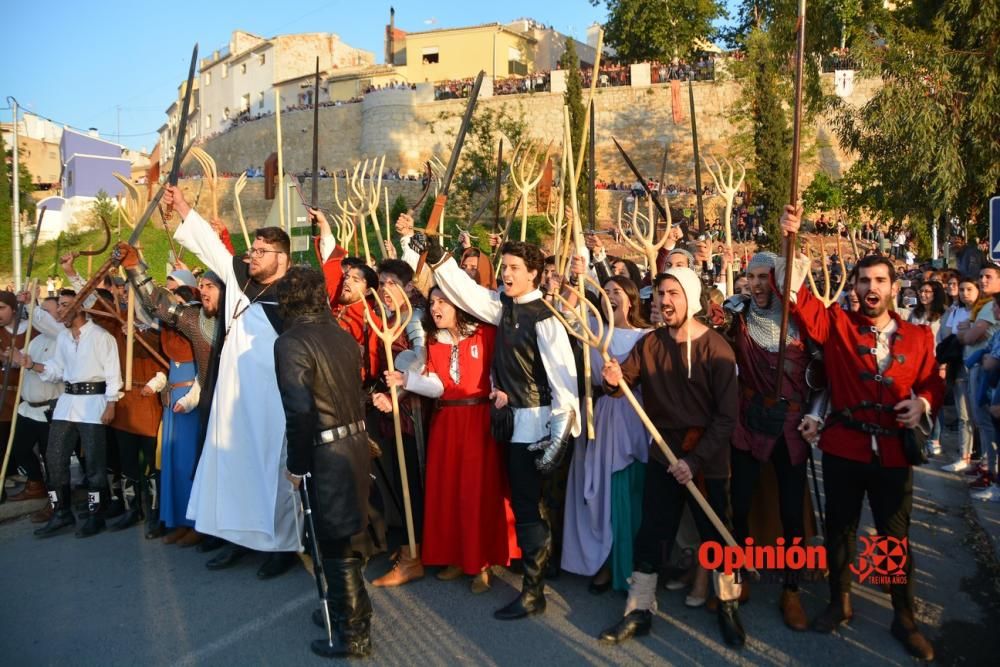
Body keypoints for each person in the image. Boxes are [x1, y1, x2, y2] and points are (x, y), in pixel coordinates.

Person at [779, 205, 943, 661]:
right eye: (864, 280)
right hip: (844, 447)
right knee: (840, 532)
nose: (871, 288)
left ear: (893, 287)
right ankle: (840, 602)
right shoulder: (836, 326)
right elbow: (795, 295)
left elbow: (933, 381)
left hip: (893, 453)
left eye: (879, 281)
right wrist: (789, 238)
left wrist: (923, 402)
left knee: (894, 539)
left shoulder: (918, 337)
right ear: (854, 286)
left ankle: (903, 616)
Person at [413, 234, 579, 621]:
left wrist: (559, 433)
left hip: (536, 425)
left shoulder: (545, 319)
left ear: (534, 274)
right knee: (521, 504)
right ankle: (531, 582)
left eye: (514, 268)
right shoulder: (503, 306)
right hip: (508, 422)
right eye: (504, 267)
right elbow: (467, 293)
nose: (506, 274)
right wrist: (439, 258)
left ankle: (534, 590)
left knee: (529, 506)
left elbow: (562, 380)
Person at [598, 267, 744, 648]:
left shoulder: (717, 349)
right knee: (651, 535)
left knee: (716, 534)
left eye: (673, 293)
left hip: (706, 460)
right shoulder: (650, 344)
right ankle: (639, 609)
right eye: (661, 293)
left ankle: (728, 607)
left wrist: (694, 463)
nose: (664, 301)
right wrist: (613, 379)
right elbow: (623, 384)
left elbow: (727, 418)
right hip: (664, 455)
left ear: (691, 298)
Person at [165, 184, 300, 579]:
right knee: (232, 466)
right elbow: (211, 248)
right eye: (252, 250)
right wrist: (184, 208)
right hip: (232, 396)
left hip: (275, 397)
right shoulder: (239, 279)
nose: (252, 257)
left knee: (275, 470)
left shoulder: (296, 292)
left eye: (261, 252)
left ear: (283, 257)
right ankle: (236, 540)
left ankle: (284, 546)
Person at [386, 287, 519, 593]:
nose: (435, 307)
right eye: (432, 302)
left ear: (459, 304)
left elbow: (501, 372)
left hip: (478, 422)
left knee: (477, 492)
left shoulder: (485, 334)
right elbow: (438, 387)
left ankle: (481, 564)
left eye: (442, 301)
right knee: (449, 491)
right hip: (447, 423)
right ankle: (456, 557)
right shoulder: (434, 342)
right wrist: (407, 380)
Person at [274, 267, 373, 659]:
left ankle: (354, 633)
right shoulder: (341, 335)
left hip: (325, 450)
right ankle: (343, 608)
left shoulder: (290, 343)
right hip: (354, 442)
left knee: (334, 544)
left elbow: (299, 412)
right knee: (339, 538)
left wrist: (296, 465)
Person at [724, 252, 812, 631]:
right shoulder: (738, 317)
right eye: (752, 277)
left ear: (776, 280)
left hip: (791, 424)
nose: (758, 284)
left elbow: (821, 374)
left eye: (765, 277)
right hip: (750, 420)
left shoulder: (800, 321)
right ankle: (740, 572)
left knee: (791, 512)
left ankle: (791, 590)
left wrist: (816, 414)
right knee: (739, 502)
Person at [117, 244, 224, 547]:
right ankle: (179, 520)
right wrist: (136, 267)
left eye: (209, 285)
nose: (203, 291)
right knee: (174, 467)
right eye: (200, 286)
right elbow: (157, 305)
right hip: (175, 405)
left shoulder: (225, 321)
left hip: (203, 406)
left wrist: (192, 398)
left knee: (193, 467)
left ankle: (202, 525)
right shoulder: (192, 320)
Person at [560, 268, 652, 594]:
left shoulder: (647, 337)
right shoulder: (592, 330)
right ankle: (604, 561)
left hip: (633, 418)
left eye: (617, 291)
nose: (610, 296)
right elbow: (566, 317)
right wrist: (575, 279)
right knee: (601, 495)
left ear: (630, 299)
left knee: (628, 493)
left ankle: (628, 566)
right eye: (605, 291)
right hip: (601, 416)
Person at [19, 289, 122, 538]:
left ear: (79, 306)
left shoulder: (101, 336)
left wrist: (111, 403)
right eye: (60, 306)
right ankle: (61, 513)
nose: (61, 311)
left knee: (95, 464)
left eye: (65, 305)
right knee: (54, 459)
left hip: (93, 404)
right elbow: (57, 369)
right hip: (67, 404)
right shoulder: (64, 337)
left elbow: (112, 373)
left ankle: (96, 513)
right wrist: (33, 364)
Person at [4, 292, 62, 508]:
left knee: (52, 459)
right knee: (19, 449)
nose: (40, 316)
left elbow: (58, 374)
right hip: (27, 409)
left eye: (46, 312)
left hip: (50, 409)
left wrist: (30, 364)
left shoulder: (64, 339)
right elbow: (21, 361)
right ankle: (36, 484)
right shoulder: (36, 338)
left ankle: (56, 502)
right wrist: (12, 358)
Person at [940, 277, 978, 472]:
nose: (964, 293)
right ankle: (965, 456)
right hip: (959, 367)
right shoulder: (957, 311)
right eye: (962, 289)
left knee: (981, 417)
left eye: (969, 289)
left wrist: (969, 331)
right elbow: (949, 335)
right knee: (964, 415)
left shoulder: (986, 312)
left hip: (980, 368)